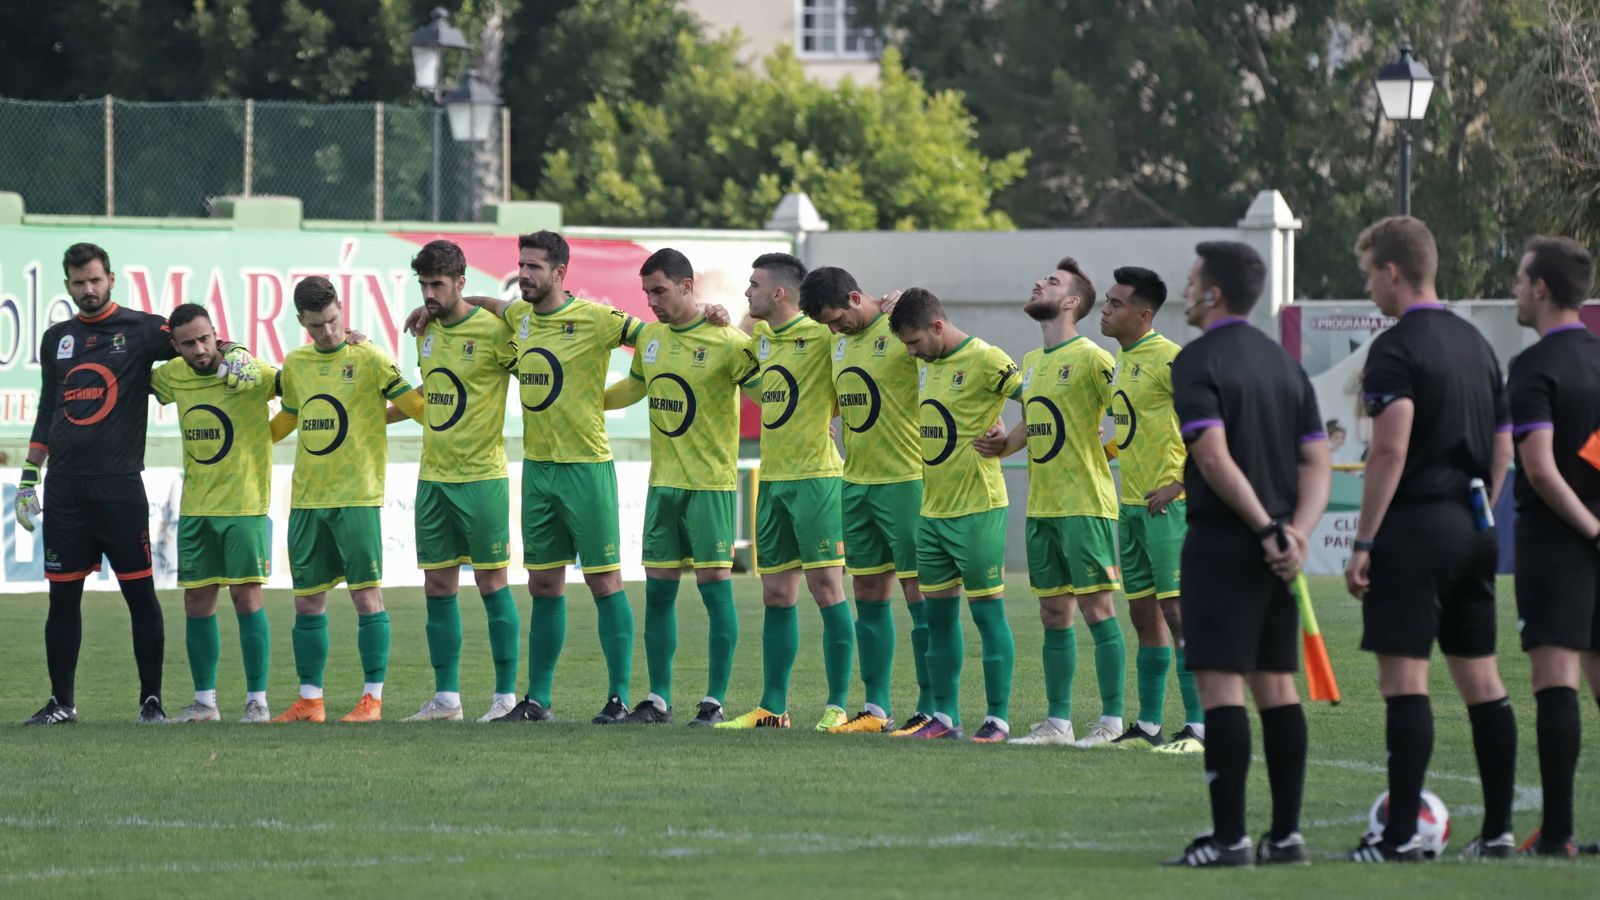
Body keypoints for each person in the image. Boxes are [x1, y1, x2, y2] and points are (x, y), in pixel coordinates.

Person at [20, 242, 257, 726]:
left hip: (120, 487)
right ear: (68, 285)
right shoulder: (56, 339)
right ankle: (61, 704)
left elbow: (201, 339)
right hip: (64, 489)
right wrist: (29, 478)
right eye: (79, 282)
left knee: (140, 596)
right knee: (62, 599)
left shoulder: (144, 329)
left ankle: (151, 702)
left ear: (111, 279)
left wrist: (238, 353)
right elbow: (48, 410)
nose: (88, 289)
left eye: (95, 280)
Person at [1343, 216, 1518, 861]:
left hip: (1416, 528)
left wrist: (1364, 542)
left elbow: (1389, 451)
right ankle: (1497, 833)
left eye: (1369, 274)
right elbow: (1504, 444)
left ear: (1393, 271)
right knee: (1484, 683)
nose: (1368, 289)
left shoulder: (1395, 347)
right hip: (1474, 526)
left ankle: (1396, 841)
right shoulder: (1476, 344)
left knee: (1405, 684)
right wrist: (1478, 505)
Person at [1165, 241, 1330, 867]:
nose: (1185, 292)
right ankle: (1285, 837)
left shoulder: (1197, 360)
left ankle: (1230, 838)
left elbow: (1211, 456)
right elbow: (1315, 459)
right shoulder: (1284, 364)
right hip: (1278, 551)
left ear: (1213, 294)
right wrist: (1296, 534)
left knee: (1223, 693)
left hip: (1226, 545)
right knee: (1278, 690)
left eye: (1190, 281)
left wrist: (1264, 528)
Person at [604, 249, 759, 725]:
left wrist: (818, 415)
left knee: (716, 591)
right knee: (659, 593)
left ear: (688, 286)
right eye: (647, 292)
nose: (651, 302)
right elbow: (634, 388)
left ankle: (714, 700)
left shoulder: (728, 340)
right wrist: (582, 400)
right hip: (663, 486)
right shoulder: (650, 338)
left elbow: (767, 393)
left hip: (710, 486)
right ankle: (658, 699)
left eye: (660, 291)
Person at [974, 258, 1124, 746]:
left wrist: (1110, 444)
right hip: (1042, 507)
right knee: (1053, 615)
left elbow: (1132, 409)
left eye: (1052, 281)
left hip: (1086, 506)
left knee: (1098, 611)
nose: (1039, 282)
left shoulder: (1094, 358)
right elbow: (1036, 420)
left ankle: (1111, 722)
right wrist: (1004, 444)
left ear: (1072, 302)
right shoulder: (1032, 363)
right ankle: (1058, 724)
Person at [271, 276, 424, 723]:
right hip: (307, 499)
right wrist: (252, 439)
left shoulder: (371, 356)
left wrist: (432, 402)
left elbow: (416, 408)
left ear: (342, 309)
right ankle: (310, 701)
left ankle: (372, 700)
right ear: (302, 322)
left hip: (357, 496)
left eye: (334, 321)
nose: (329, 332)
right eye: (317, 325)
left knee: (366, 597)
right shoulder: (296, 364)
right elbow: (291, 418)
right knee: (307, 602)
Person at [715, 254, 852, 732]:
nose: (746, 293)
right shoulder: (762, 339)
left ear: (779, 293)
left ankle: (837, 705)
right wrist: (722, 323)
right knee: (776, 593)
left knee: (827, 588)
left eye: (753, 285)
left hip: (817, 479)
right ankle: (773, 708)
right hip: (773, 480)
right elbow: (761, 386)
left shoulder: (822, 334)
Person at [391, 240, 522, 724]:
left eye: (438, 284)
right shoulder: (424, 332)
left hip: (482, 477)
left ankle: (505, 697)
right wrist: (379, 414)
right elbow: (434, 388)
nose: (429, 293)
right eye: (423, 284)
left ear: (461, 282)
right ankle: (447, 700)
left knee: (492, 584)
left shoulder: (492, 330)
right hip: (433, 479)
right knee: (438, 587)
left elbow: (533, 363)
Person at [799, 267, 931, 735]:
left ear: (857, 298)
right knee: (869, 595)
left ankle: (930, 709)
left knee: (920, 596)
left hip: (906, 481)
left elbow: (952, 364)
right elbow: (846, 394)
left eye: (837, 319)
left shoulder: (902, 328)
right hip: (855, 485)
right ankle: (876, 709)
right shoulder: (836, 342)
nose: (834, 330)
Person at [888, 288, 1023, 742]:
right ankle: (944, 717)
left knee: (987, 615)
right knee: (938, 619)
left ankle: (998, 718)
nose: (910, 353)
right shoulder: (928, 363)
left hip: (978, 508)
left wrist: (1008, 441)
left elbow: (1036, 397)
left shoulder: (986, 358)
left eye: (913, 343)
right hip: (933, 511)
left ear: (937, 327)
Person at [1505, 236, 1600, 857]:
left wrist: (1591, 530)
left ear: (1540, 289)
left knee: (1556, 682)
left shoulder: (1535, 366)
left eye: (1518, 279)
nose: (1515, 289)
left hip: (1561, 543)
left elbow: (1538, 468)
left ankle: (1559, 833)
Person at [153, 303, 286, 724]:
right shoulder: (172, 377)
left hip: (244, 505)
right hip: (196, 508)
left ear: (217, 334)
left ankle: (257, 701)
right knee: (197, 602)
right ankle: (205, 703)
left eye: (206, 339)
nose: (200, 349)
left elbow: (296, 385)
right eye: (188, 343)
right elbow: (131, 372)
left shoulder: (250, 373)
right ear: (174, 346)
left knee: (247, 599)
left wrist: (239, 351)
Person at [1098, 265, 1203, 751]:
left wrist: (1180, 483)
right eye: (1106, 301)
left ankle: (1200, 726)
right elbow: (1141, 425)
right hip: (1131, 506)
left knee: (1179, 614)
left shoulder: (1171, 360)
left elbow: (1204, 428)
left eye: (1116, 304)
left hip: (1166, 508)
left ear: (1143, 314)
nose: (1106, 309)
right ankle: (1149, 725)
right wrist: (1109, 450)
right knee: (1144, 617)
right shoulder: (1122, 360)